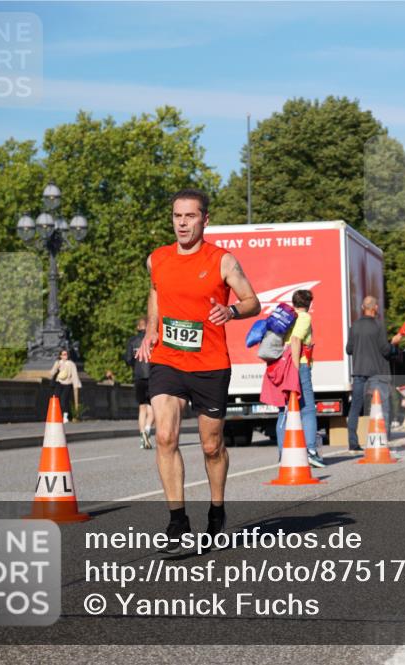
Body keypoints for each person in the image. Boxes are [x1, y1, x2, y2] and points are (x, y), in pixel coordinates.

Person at [136, 188, 261, 554]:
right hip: (169, 360)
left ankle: (217, 511)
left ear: (205, 219)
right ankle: (177, 522)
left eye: (190, 216)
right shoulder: (156, 258)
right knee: (165, 437)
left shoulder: (223, 261)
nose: (182, 223)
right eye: (177, 216)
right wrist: (151, 330)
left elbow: (253, 301)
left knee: (211, 446)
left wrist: (232, 312)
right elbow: (157, 292)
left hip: (210, 364)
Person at [345, 296, 403, 452]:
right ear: (375, 307)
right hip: (378, 373)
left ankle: (353, 442)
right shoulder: (378, 326)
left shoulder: (354, 326)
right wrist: (395, 344)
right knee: (383, 406)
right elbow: (385, 350)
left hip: (358, 372)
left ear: (363, 307)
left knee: (355, 407)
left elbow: (349, 349)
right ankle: (382, 439)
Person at [275, 290, 324, 467]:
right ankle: (311, 451)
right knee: (308, 408)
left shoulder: (286, 317)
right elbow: (296, 340)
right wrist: (295, 369)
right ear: (309, 303)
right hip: (299, 365)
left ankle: (284, 454)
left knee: (285, 409)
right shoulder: (304, 317)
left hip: (282, 363)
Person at [124, 317, 154, 449]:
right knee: (153, 407)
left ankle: (142, 434)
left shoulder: (132, 341)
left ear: (137, 327)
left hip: (138, 376)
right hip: (153, 375)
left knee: (142, 407)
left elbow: (128, 359)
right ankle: (147, 428)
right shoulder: (152, 340)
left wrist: (136, 366)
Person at [49, 349, 81, 423]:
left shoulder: (71, 364)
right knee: (56, 398)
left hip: (67, 383)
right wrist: (56, 366)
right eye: (63, 354)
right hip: (59, 382)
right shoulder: (58, 363)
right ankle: (57, 415)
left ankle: (65, 416)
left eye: (66, 354)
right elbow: (52, 373)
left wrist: (76, 385)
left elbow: (74, 375)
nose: (65, 356)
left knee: (64, 400)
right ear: (60, 356)